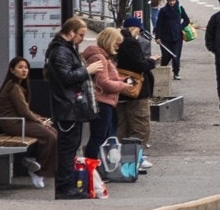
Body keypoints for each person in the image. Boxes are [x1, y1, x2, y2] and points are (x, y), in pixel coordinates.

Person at [45, 17, 100, 199]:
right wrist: (87, 70)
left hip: (70, 106)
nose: (83, 39)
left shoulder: (65, 49)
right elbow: (66, 77)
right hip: (68, 107)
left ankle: (67, 186)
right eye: (81, 35)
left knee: (70, 147)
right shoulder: (61, 51)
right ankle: (64, 187)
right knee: (67, 148)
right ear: (71, 33)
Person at [0, 57, 57, 188]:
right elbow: (24, 111)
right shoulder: (14, 88)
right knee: (49, 135)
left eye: (26, 67)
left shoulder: (18, 86)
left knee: (53, 132)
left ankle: (35, 161)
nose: (24, 70)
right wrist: (40, 121)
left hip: (18, 122)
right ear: (12, 70)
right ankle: (37, 171)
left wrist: (40, 120)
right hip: (13, 124)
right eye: (20, 67)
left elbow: (25, 110)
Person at [81, 27, 131, 163]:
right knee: (99, 136)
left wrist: (120, 80)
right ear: (109, 41)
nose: (117, 47)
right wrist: (123, 85)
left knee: (101, 135)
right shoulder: (100, 58)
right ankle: (92, 168)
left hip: (104, 101)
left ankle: (95, 166)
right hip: (102, 101)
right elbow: (104, 83)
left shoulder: (102, 56)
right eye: (116, 43)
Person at [115, 16, 156, 166]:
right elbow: (140, 65)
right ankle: (135, 157)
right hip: (135, 90)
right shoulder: (131, 43)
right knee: (141, 125)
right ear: (135, 28)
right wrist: (152, 61)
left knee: (123, 126)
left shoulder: (119, 42)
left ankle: (124, 159)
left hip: (121, 89)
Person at [154, 0, 191, 79]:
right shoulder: (163, 11)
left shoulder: (180, 9)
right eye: (170, 1)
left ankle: (176, 73)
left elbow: (186, 20)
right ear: (167, 1)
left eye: (173, 0)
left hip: (177, 37)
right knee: (166, 55)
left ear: (176, 0)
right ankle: (162, 71)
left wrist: (180, 27)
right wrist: (157, 37)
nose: (171, 2)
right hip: (165, 38)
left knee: (176, 56)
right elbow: (159, 24)